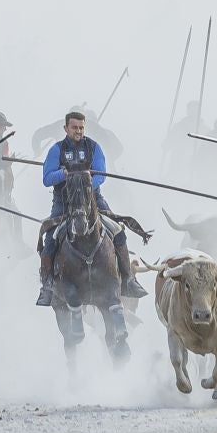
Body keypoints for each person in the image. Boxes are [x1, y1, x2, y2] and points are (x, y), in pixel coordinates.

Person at [36, 107, 144, 305]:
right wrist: (64, 175)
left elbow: (101, 174)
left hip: (93, 198)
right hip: (63, 201)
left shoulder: (94, 147)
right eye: (74, 127)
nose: (78, 131)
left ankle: (128, 280)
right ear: (66, 128)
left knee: (118, 231)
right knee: (50, 238)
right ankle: (47, 285)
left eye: (81, 128)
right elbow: (46, 178)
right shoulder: (56, 150)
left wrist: (85, 188)